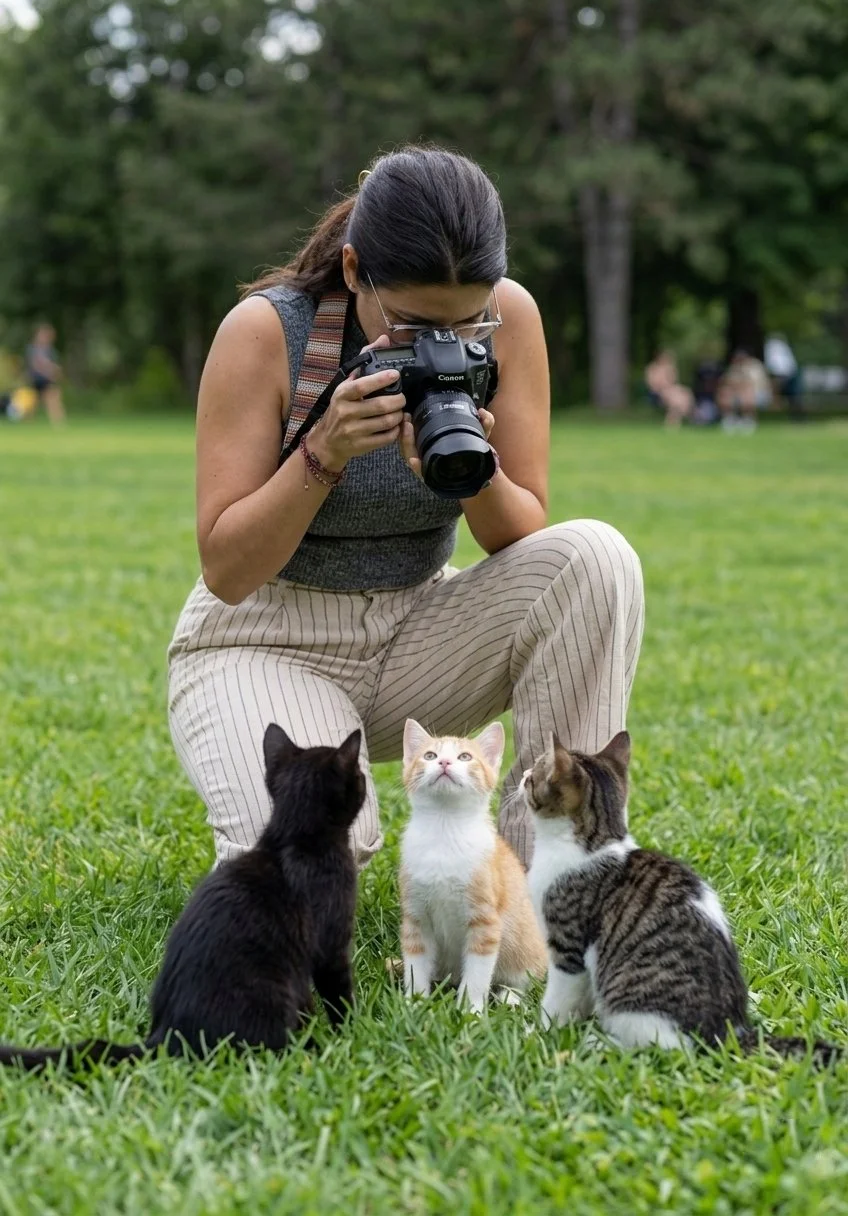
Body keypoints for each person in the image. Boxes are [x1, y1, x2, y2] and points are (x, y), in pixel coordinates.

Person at [167, 146, 645, 872]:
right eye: (416, 325)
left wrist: (470, 474)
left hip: (420, 627)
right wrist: (322, 453)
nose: (443, 344)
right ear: (357, 271)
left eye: (467, 326)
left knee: (596, 558)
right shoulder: (266, 332)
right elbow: (226, 571)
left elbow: (517, 535)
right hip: (264, 638)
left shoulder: (511, 318)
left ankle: (550, 886)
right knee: (321, 851)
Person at [717, 348, 772, 432]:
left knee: (747, 391)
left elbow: (753, 385)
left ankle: (748, 420)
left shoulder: (755, 367)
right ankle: (729, 419)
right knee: (725, 391)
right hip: (738, 394)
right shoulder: (734, 368)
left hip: (758, 394)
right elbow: (726, 382)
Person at [25, 323, 66, 423]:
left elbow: (55, 366)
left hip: (47, 380)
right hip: (35, 379)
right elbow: (35, 364)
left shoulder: (50, 351)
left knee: (54, 400)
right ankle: (28, 424)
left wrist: (55, 373)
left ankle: (58, 423)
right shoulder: (32, 349)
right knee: (32, 404)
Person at [644, 349, 694, 428]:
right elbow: (652, 384)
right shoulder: (652, 368)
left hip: (670, 389)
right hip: (658, 391)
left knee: (685, 393)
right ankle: (676, 419)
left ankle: (675, 419)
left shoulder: (670, 368)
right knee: (677, 399)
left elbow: (673, 382)